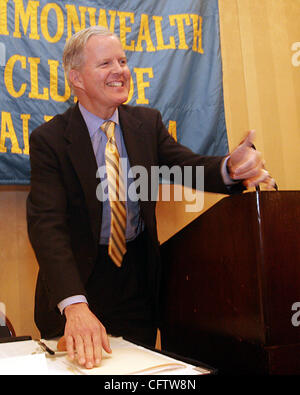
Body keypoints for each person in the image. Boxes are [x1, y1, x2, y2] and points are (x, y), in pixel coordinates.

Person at [26, 26, 274, 370]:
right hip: (77, 281)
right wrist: (74, 305)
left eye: (123, 60)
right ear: (76, 78)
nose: (120, 70)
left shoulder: (147, 123)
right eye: (105, 64)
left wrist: (231, 168)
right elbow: (46, 226)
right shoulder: (49, 140)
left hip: (135, 285)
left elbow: (188, 167)